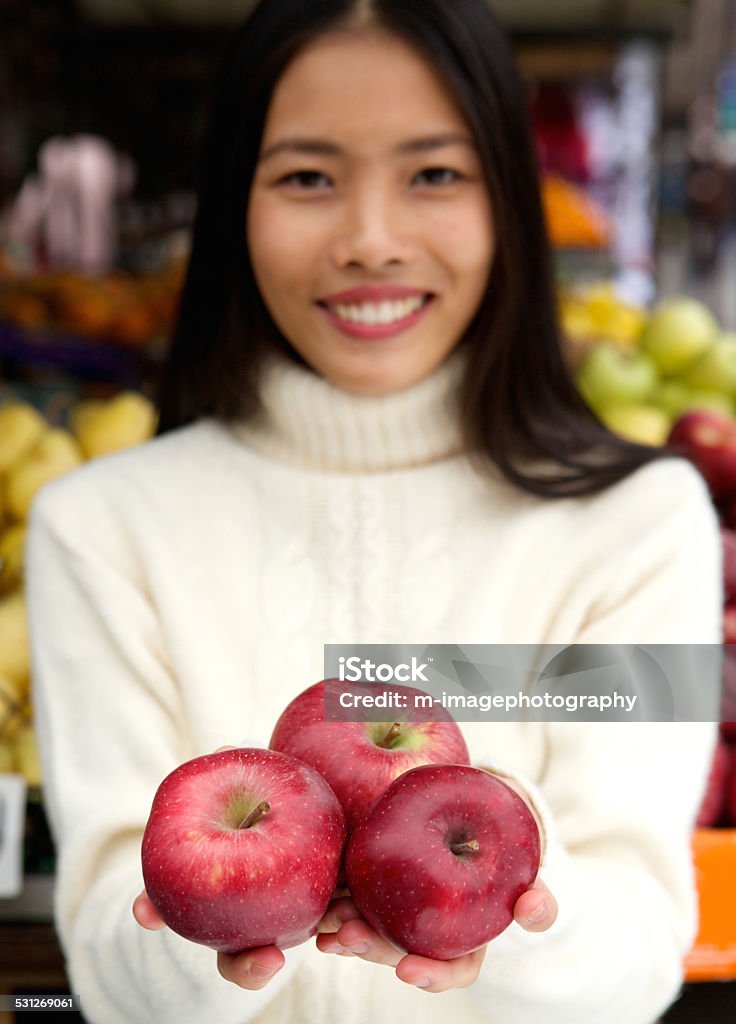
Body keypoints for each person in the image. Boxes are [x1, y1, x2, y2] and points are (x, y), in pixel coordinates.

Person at [26, 1, 722, 1023]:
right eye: (307, 176)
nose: (369, 239)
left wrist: (507, 905)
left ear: (508, 204)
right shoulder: (102, 528)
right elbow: (105, 952)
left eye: (433, 173)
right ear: (236, 207)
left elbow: (642, 941)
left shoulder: (637, 525)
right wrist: (205, 928)